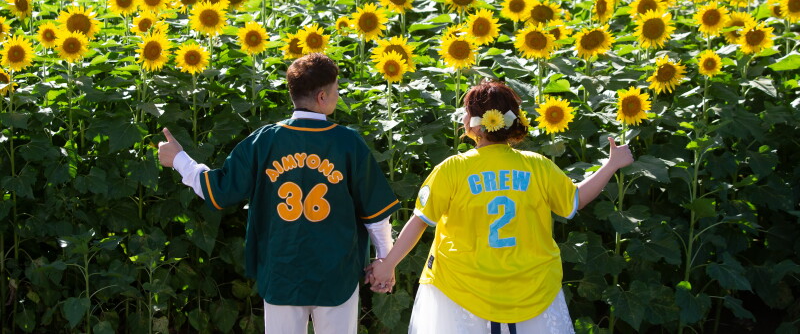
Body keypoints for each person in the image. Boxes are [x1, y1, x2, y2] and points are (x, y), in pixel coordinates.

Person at [366, 80, 634, 334]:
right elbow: (574, 201)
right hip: (531, 289)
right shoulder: (537, 165)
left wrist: (388, 264)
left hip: (461, 288)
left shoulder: (452, 169)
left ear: (475, 124)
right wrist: (611, 165)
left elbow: (419, 221)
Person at [158, 53, 400, 334]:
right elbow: (374, 214)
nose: (337, 95)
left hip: (282, 270)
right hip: (337, 274)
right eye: (336, 90)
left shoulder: (264, 140)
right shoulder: (348, 142)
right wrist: (384, 260)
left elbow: (218, 190)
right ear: (322, 97)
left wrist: (179, 159)